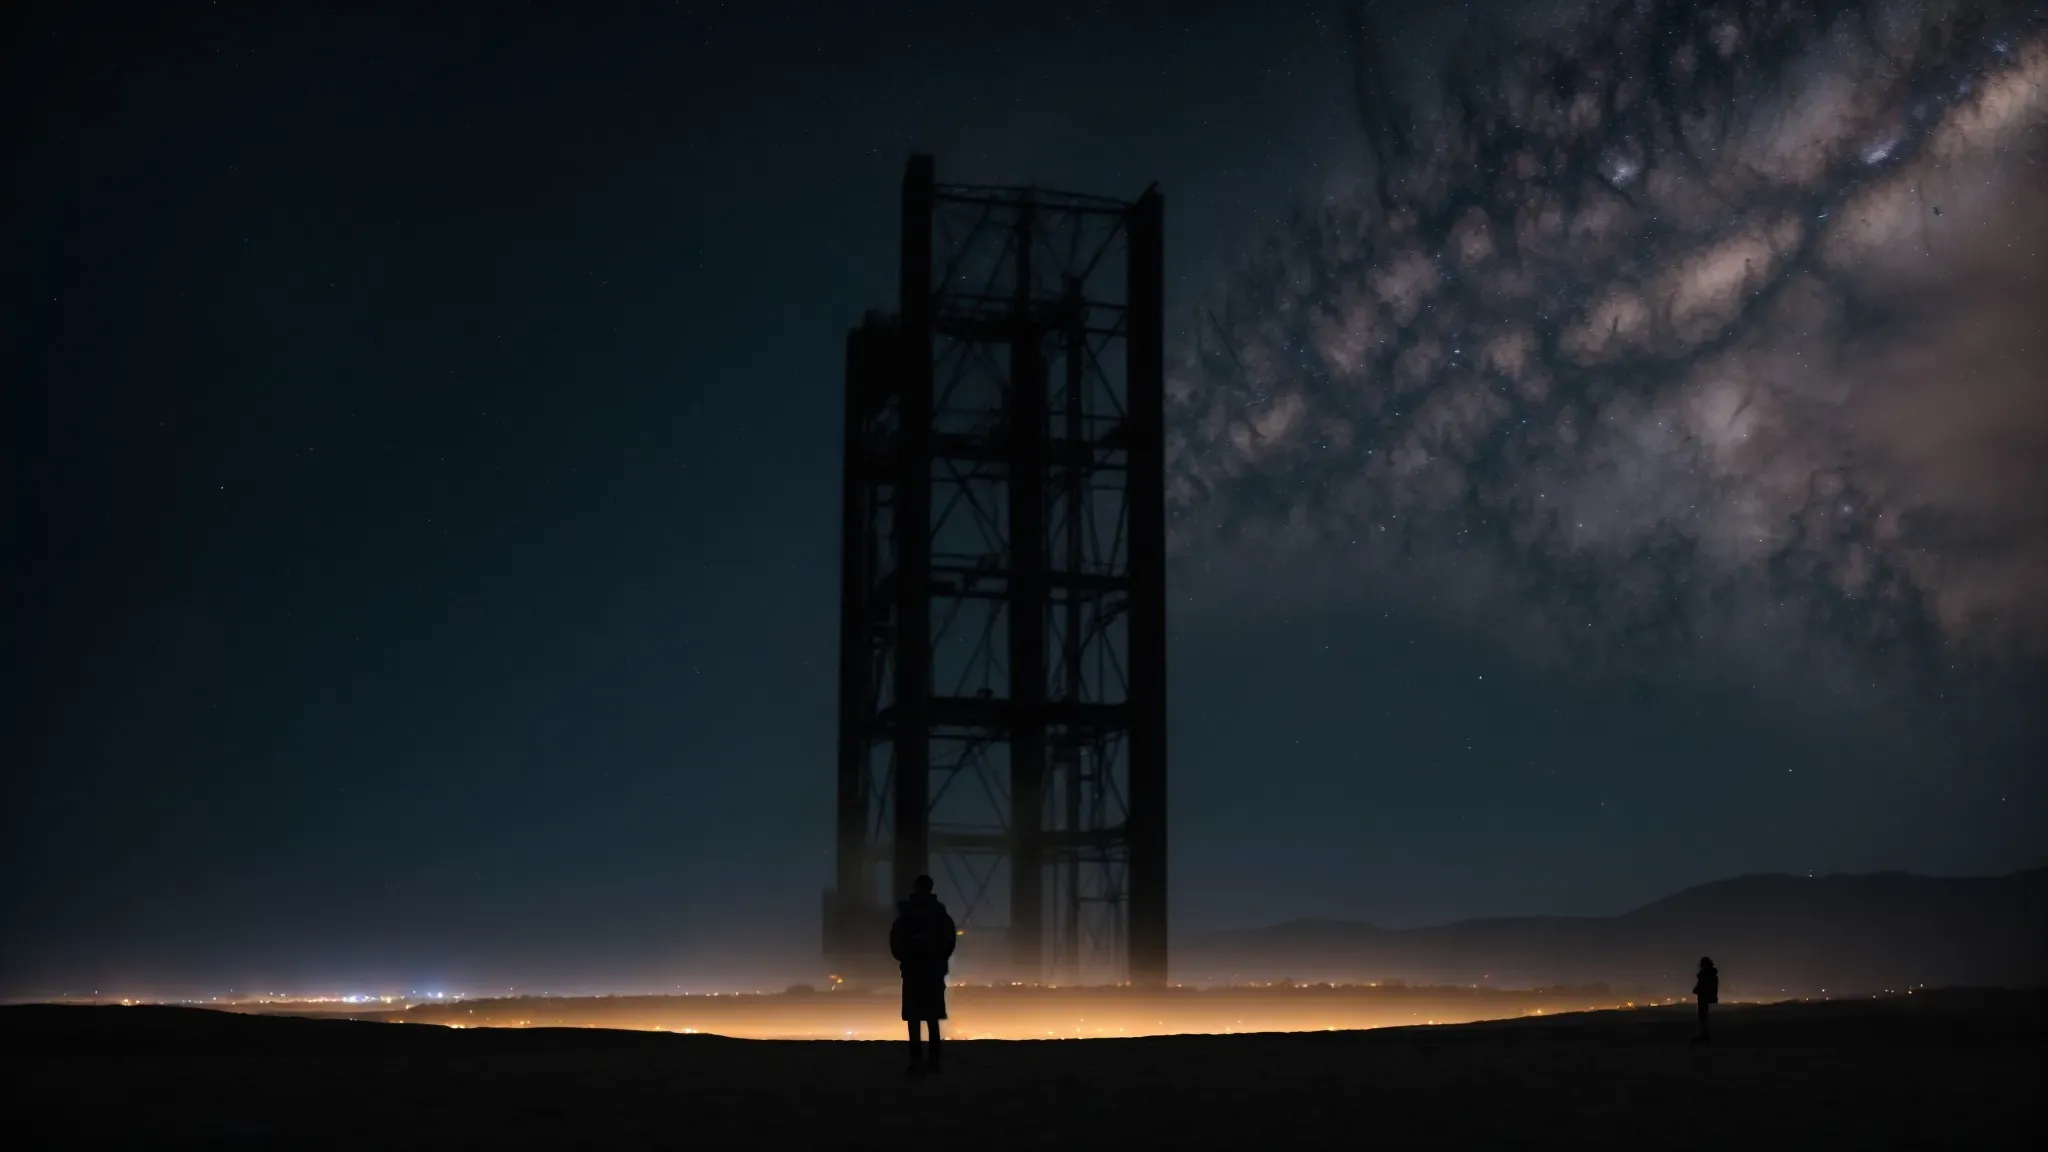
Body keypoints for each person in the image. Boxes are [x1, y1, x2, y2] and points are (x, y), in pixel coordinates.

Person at [889, 874, 957, 1075]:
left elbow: (895, 941)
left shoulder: (906, 914)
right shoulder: (940, 914)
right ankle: (934, 1059)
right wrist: (939, 960)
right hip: (933, 972)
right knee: (932, 1017)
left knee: (914, 1018)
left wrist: (905, 959)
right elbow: (949, 941)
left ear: (915, 887)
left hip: (912, 971)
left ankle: (915, 1059)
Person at [1692, 956, 1719, 1042]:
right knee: (1706, 1018)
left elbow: (1701, 987)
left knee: (1703, 1018)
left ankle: (1703, 1037)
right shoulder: (1712, 975)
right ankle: (1705, 1036)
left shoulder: (1705, 974)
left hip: (1704, 999)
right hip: (1710, 999)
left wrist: (1696, 990)